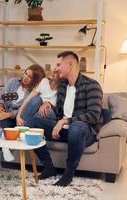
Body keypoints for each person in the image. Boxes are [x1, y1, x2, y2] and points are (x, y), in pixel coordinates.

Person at [28, 51, 103, 187]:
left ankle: (68, 173)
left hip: (83, 133)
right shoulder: (63, 86)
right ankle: (49, 167)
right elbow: (58, 112)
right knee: (33, 122)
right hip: (63, 130)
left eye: (59, 64)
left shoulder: (92, 85)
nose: (56, 68)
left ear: (70, 64)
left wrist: (65, 121)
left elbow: (93, 115)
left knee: (76, 127)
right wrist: (49, 105)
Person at [0, 64, 45, 173]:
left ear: (35, 80)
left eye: (30, 77)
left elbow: (24, 111)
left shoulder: (33, 94)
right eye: (26, 73)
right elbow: (1, 96)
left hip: (18, 120)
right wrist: (0, 107)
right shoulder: (13, 82)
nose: (25, 77)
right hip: (5, 115)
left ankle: (4, 148)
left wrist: (9, 114)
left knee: (3, 119)